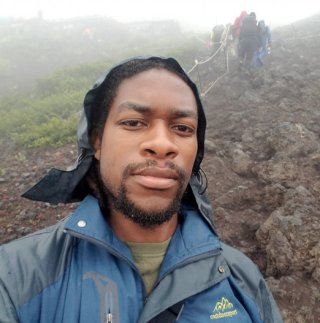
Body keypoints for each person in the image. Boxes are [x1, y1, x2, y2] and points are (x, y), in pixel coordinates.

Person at [0, 56, 283, 322]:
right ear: (97, 142)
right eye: (134, 123)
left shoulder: (242, 279)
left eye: (183, 128)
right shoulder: (15, 279)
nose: (162, 144)